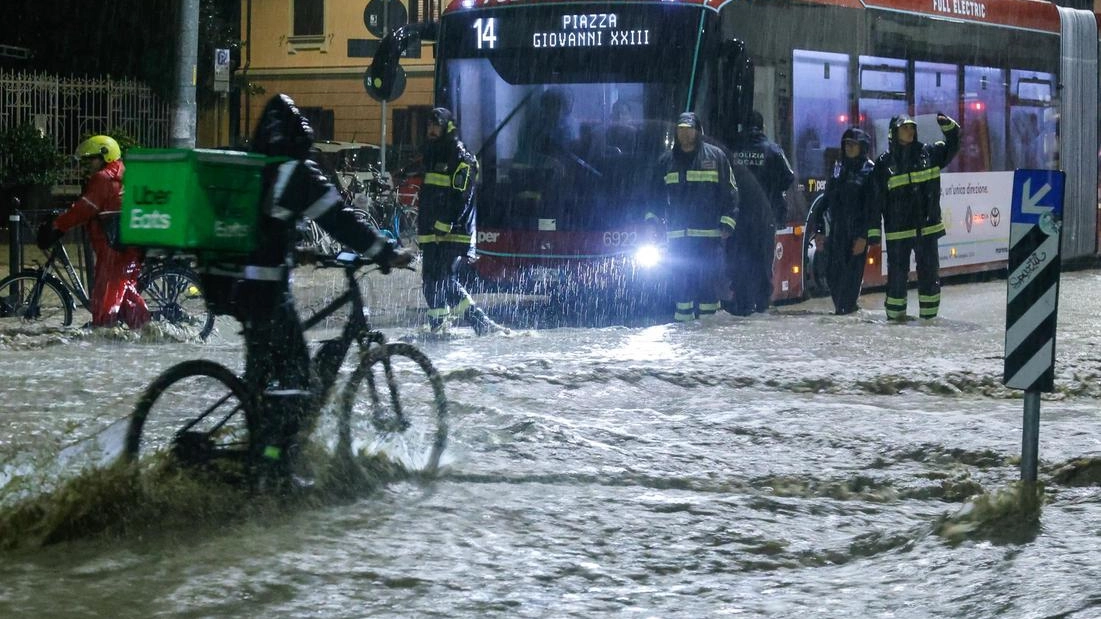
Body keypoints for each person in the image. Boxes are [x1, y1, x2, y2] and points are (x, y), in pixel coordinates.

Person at [198, 94, 415, 479]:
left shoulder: (258, 168)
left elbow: (262, 225)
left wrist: (298, 251)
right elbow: (340, 220)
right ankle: (273, 465)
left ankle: (255, 458)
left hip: (232, 285)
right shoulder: (297, 173)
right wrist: (384, 252)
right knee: (298, 376)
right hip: (264, 291)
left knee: (265, 377)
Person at [37, 135, 151, 330]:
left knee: (106, 292)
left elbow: (85, 208)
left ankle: (106, 331)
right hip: (125, 243)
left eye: (93, 159)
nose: (89, 164)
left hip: (114, 246)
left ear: (105, 156)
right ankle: (142, 329)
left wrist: (57, 226)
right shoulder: (121, 172)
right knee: (122, 289)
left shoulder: (104, 178)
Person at [416, 107, 506, 335]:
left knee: (445, 279)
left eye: (436, 124)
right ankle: (440, 325)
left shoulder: (459, 154)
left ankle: (480, 322)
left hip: (453, 231)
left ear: (447, 126)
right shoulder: (433, 152)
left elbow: (461, 195)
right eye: (429, 125)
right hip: (431, 230)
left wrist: (445, 223)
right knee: (430, 280)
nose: (431, 129)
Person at [646, 112, 738, 323]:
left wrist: (727, 223)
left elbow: (730, 192)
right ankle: (683, 336)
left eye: (689, 130)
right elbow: (654, 196)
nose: (684, 135)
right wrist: (652, 223)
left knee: (708, 287)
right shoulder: (666, 161)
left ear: (698, 132)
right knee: (681, 288)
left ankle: (708, 333)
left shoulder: (716, 158)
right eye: (681, 130)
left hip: (708, 237)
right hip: (678, 238)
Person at [872, 112, 960, 321]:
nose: (910, 131)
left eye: (912, 127)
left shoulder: (929, 153)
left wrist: (949, 127)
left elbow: (953, 145)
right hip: (898, 232)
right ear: (895, 132)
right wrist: (874, 235)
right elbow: (876, 201)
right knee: (897, 278)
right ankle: (894, 321)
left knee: (929, 276)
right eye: (905, 128)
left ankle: (929, 323)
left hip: (927, 229)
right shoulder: (883, 164)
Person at [729, 111, 794, 313]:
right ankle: (762, 305)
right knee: (762, 262)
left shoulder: (732, 148)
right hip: (764, 218)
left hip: (738, 217)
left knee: (740, 260)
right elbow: (788, 178)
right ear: (762, 127)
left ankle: (742, 303)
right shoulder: (773, 150)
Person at [812, 128, 879, 315]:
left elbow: (872, 208)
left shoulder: (870, 171)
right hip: (837, 232)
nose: (849, 147)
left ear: (862, 147)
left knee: (849, 284)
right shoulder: (838, 168)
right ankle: (843, 315)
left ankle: (848, 315)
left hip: (856, 235)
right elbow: (825, 200)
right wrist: (818, 231)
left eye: (853, 144)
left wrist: (864, 237)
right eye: (846, 144)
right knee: (833, 277)